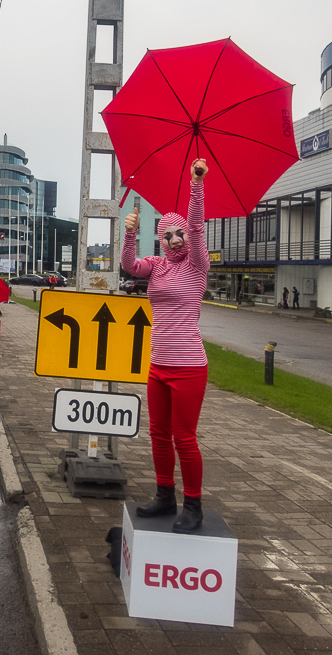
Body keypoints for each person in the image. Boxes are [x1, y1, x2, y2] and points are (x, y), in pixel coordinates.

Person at [121, 159, 210, 533]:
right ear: (160, 239)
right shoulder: (156, 265)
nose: (176, 239)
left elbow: (197, 225)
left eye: (180, 234)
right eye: (168, 234)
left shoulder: (197, 265)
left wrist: (195, 184)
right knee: (158, 433)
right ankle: (164, 496)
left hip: (189, 366)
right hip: (158, 365)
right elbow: (128, 266)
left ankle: (193, 504)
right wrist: (130, 233)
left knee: (184, 438)